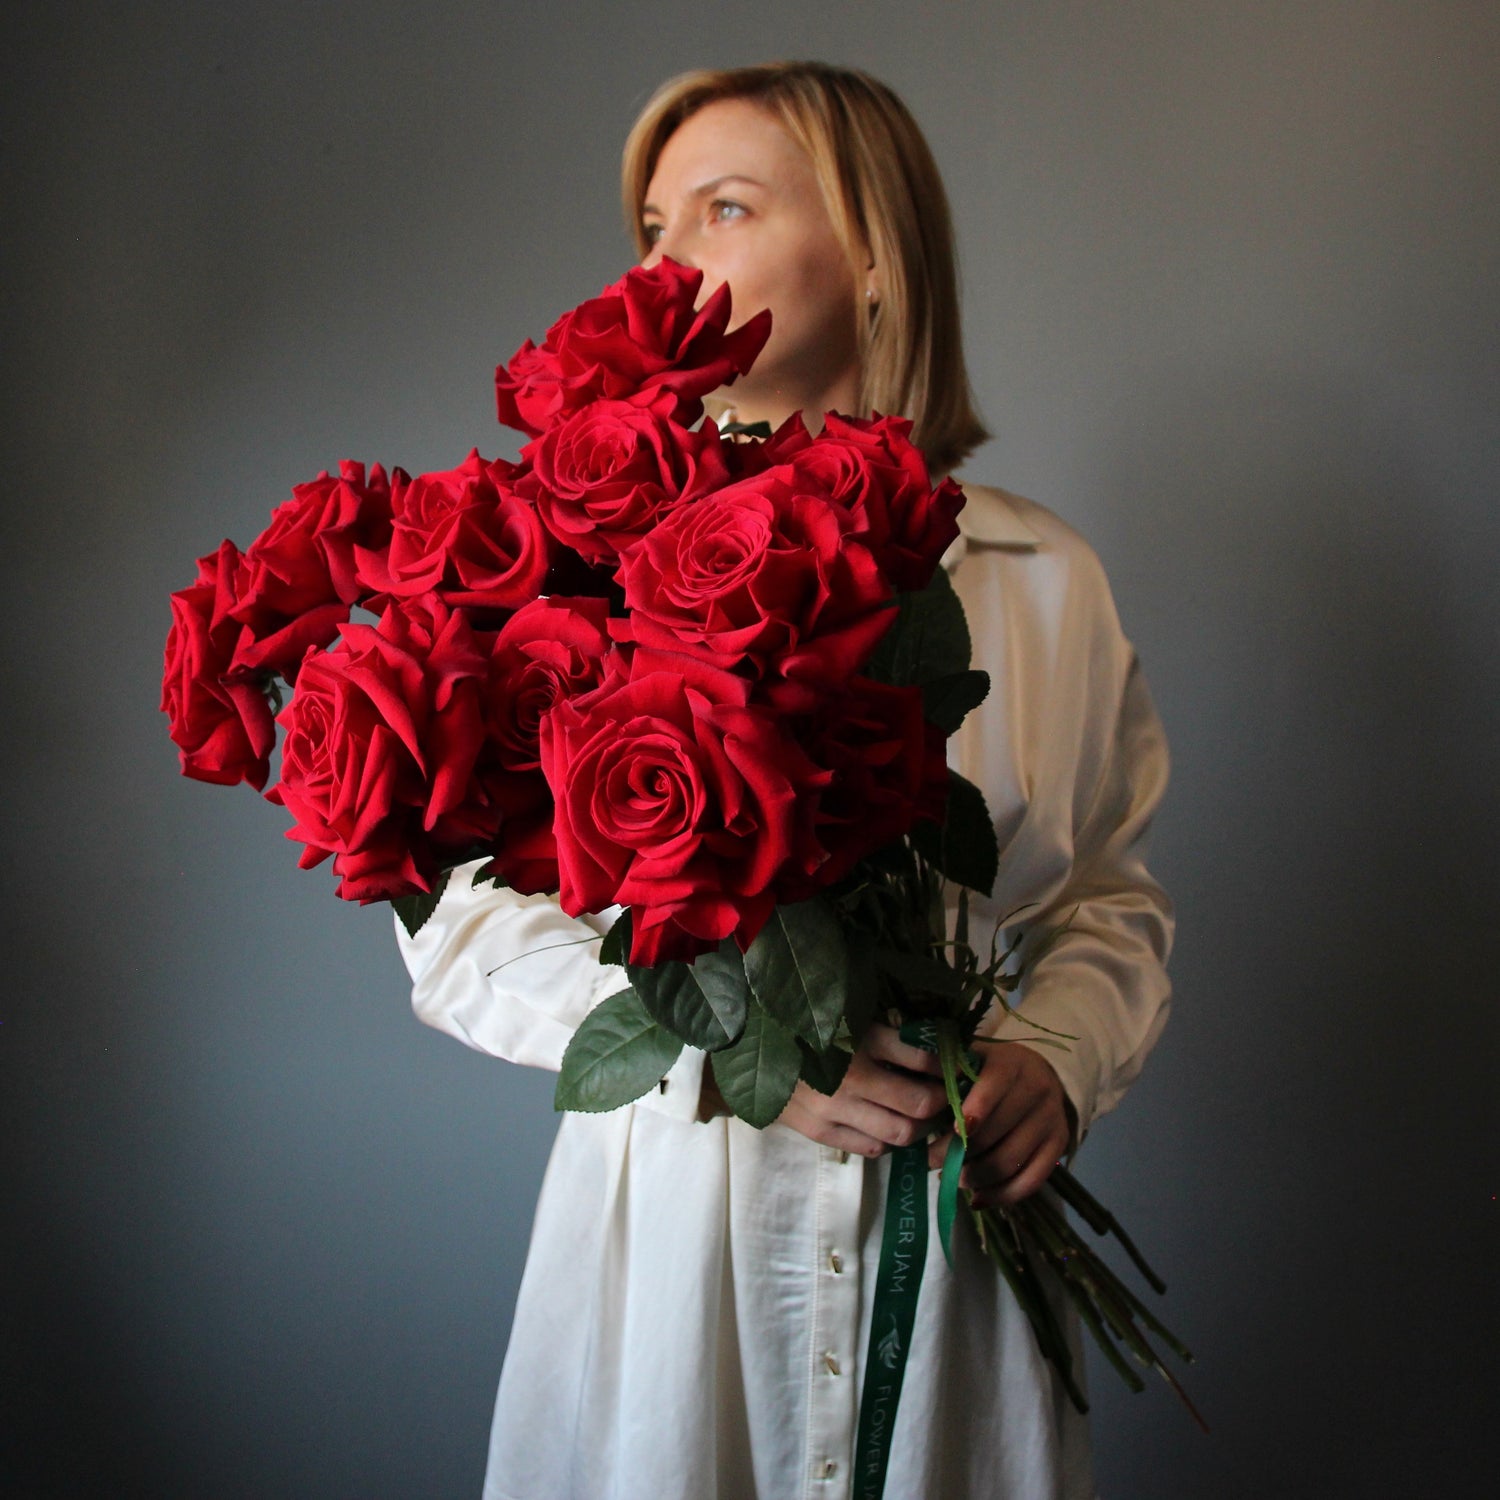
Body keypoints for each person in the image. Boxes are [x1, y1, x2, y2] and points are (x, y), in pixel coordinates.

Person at [397, 61, 1172, 1500]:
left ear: (874, 255)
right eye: (649, 224)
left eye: (725, 208)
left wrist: (1055, 1057)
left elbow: (1107, 894)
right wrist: (726, 1051)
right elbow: (457, 924)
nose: (665, 260)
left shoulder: (1043, 584)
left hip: (954, 1250)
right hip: (685, 1256)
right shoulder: (572, 579)